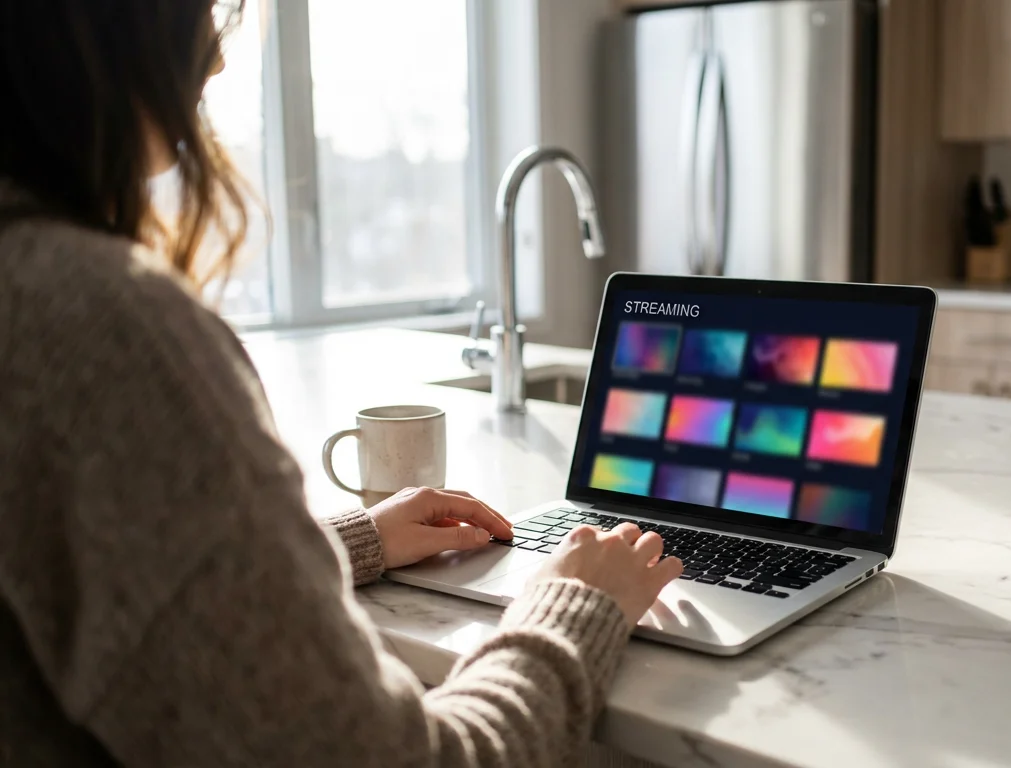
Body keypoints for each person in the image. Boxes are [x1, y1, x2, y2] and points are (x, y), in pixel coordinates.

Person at [0, 2, 682, 765]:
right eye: (203, 13)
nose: (215, 60)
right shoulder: (103, 327)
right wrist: (576, 606)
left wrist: (349, 543)